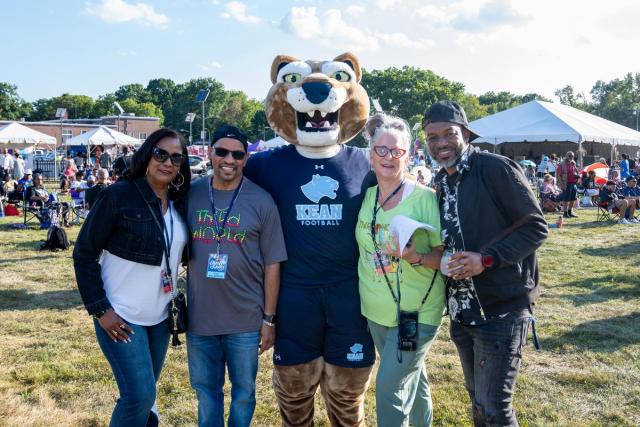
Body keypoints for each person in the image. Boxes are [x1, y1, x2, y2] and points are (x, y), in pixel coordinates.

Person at [423, 100, 548, 426]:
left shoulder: (495, 168)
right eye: (432, 137)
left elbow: (535, 227)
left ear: (465, 133)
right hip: (462, 310)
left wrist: (487, 259)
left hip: (501, 309)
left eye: (448, 134)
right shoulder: (441, 182)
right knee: (479, 401)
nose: (441, 144)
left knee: (494, 406)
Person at [73, 128, 191, 426]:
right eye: (160, 153)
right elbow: (84, 253)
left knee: (145, 396)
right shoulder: (119, 195)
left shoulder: (179, 202)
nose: (167, 162)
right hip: (122, 317)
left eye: (176, 157)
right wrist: (101, 310)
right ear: (147, 155)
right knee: (138, 396)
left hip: (162, 318)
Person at [186, 125, 287, 427]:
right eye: (222, 151)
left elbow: (273, 263)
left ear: (245, 159)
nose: (229, 159)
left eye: (237, 154)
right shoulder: (191, 194)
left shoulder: (262, 200)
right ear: (209, 153)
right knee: (206, 393)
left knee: (244, 393)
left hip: (246, 319)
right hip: (200, 318)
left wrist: (269, 319)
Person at [356, 114, 445, 426]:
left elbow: (446, 256)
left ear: (408, 155)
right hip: (376, 311)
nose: (388, 158)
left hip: (415, 313)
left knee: (390, 388)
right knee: (413, 378)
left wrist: (413, 256)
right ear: (370, 153)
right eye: (381, 150)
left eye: (397, 152)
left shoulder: (425, 199)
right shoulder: (367, 197)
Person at [556, 151, 580, 218]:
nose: (571, 157)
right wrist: (562, 185)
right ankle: (565, 213)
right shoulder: (562, 164)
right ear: (566, 156)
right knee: (566, 199)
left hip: (573, 183)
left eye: (572, 156)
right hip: (566, 183)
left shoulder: (573, 163)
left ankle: (570, 212)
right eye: (569, 156)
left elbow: (575, 171)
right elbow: (558, 176)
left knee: (573, 198)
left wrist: (577, 176)